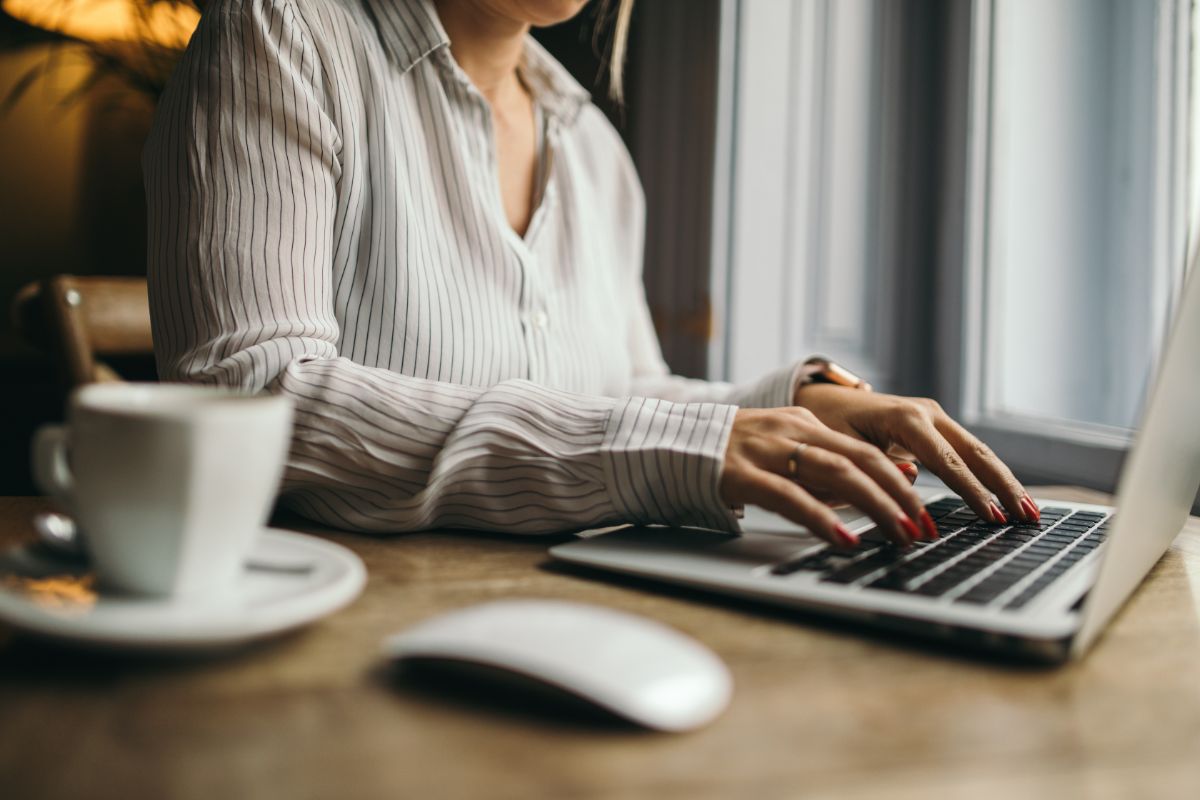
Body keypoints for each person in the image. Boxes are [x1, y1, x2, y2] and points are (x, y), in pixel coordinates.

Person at [144, 0, 1040, 547]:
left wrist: (799, 405)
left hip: (571, 622)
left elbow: (624, 389)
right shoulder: (282, 37)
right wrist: (672, 449)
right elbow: (253, 394)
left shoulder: (595, 149)